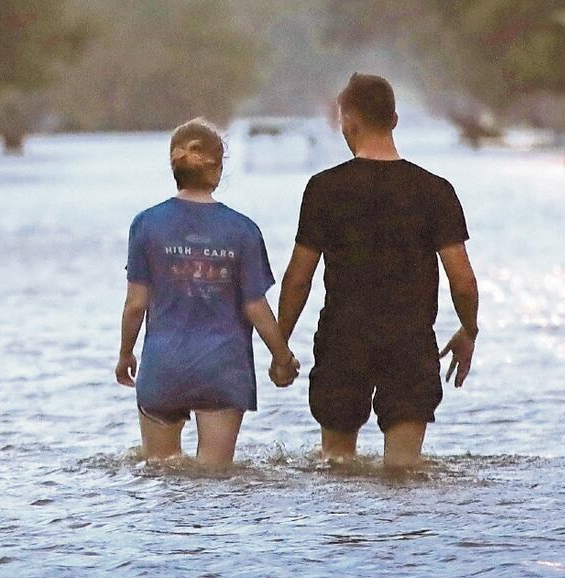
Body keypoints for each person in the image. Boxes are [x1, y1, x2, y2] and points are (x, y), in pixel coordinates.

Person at [277, 74, 480, 469]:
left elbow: (298, 278)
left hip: (341, 342)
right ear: (395, 120)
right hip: (409, 344)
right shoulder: (435, 190)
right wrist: (469, 330)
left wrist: (281, 345)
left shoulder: (323, 189)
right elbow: (464, 281)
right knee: (405, 472)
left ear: (347, 121)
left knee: (336, 468)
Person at [116, 118, 301, 466]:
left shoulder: (145, 224)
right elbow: (255, 306)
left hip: (162, 365)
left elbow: (135, 304)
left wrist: (126, 354)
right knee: (215, 475)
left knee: (161, 470)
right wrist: (281, 356)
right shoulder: (243, 230)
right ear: (216, 171)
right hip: (223, 369)